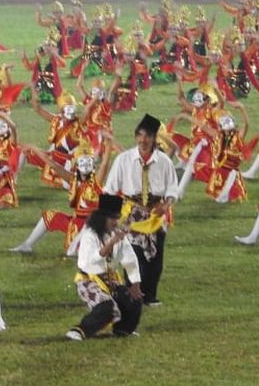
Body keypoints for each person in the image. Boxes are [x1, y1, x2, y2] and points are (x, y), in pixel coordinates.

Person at [102, 114, 178, 306]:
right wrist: (108, 219)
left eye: (148, 136)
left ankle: (150, 296)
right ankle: (133, 295)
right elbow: (110, 189)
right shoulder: (124, 159)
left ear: (154, 139)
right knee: (133, 257)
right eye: (140, 135)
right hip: (131, 213)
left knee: (156, 259)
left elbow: (172, 189)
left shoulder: (164, 161)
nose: (143, 140)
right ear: (136, 136)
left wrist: (165, 206)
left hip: (154, 214)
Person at [65, 193, 144, 340]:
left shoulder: (117, 234)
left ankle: (123, 330)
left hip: (111, 280)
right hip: (89, 281)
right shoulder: (90, 235)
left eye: (117, 218)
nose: (115, 222)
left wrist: (135, 284)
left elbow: (130, 259)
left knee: (133, 299)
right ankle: (80, 331)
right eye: (112, 218)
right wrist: (111, 243)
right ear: (102, 218)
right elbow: (92, 260)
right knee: (107, 307)